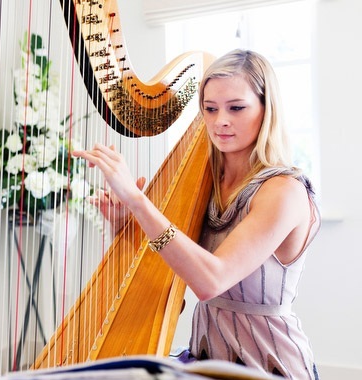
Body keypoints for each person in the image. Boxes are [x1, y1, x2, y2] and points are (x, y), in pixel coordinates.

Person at [72, 49, 321, 380]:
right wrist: (122, 223)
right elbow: (172, 261)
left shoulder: (284, 190)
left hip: (268, 364)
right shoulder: (207, 182)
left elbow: (210, 280)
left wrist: (135, 199)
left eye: (236, 107)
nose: (220, 121)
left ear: (266, 109)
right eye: (210, 108)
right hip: (207, 358)